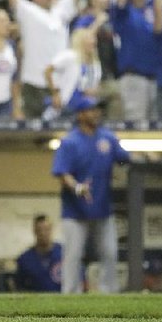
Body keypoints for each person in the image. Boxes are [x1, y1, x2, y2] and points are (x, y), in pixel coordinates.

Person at [51, 92, 129, 294]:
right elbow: (62, 173)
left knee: (110, 253)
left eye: (97, 109)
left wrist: (145, 155)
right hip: (75, 211)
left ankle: (109, 294)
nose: (96, 113)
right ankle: (70, 295)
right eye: (91, 110)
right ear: (80, 114)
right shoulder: (70, 142)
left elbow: (123, 158)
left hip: (103, 209)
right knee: (73, 256)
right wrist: (77, 187)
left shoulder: (107, 137)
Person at [15, 214, 62, 292]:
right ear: (34, 231)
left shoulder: (65, 254)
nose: (43, 233)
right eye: (39, 230)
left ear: (51, 229)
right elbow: (20, 287)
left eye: (46, 229)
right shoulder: (25, 259)